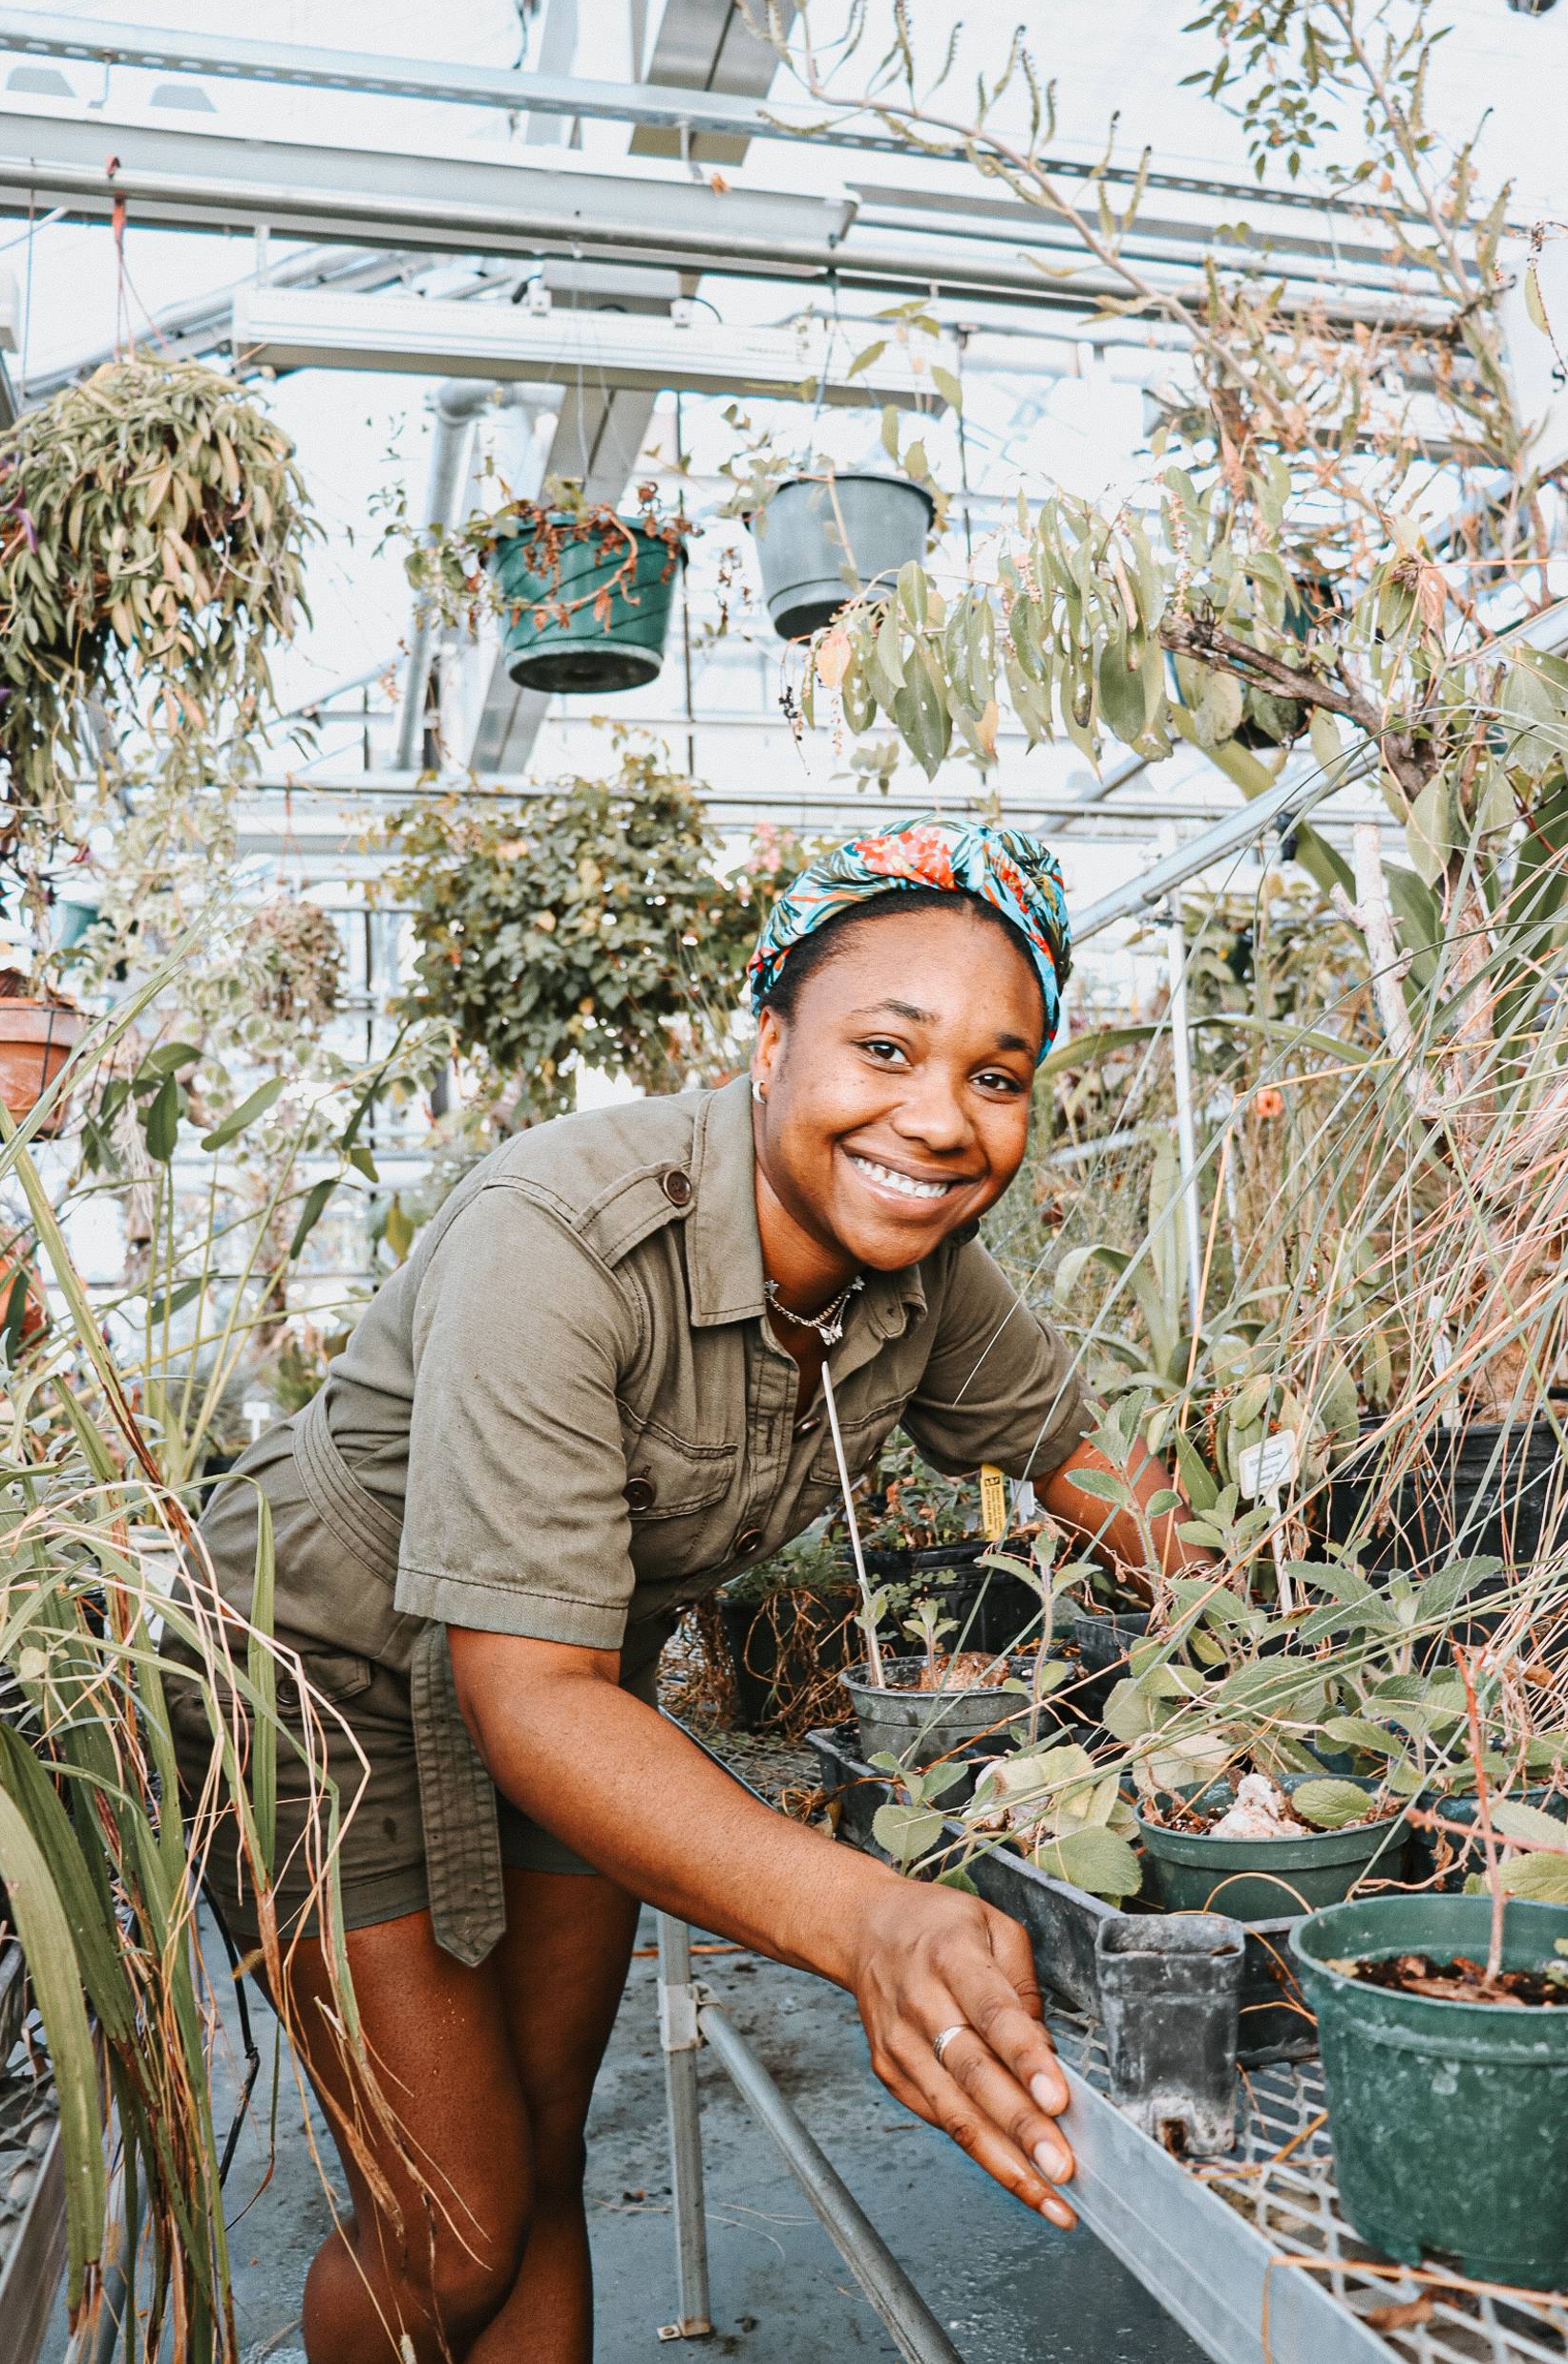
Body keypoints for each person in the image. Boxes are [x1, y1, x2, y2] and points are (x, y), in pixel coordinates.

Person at [171, 820, 1215, 2364]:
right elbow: (521, 1697)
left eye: (997, 1076)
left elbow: (1088, 1468)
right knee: (453, 2219)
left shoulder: (921, 1265)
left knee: (543, 2150)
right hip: (309, 1669)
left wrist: (1274, 1640)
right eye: (885, 1046)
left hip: (566, 1670)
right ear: (769, 1040)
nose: (939, 1122)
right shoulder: (560, 1237)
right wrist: (871, 1921)